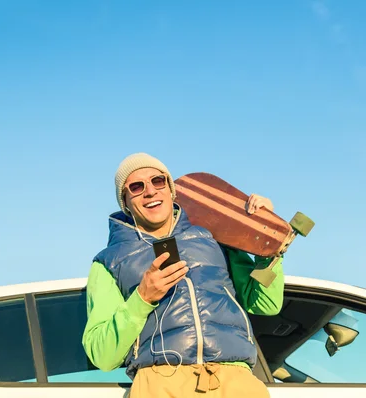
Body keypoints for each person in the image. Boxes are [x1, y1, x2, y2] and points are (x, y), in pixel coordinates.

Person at [82, 153, 284, 398]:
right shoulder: (108, 262)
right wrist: (142, 298)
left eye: (158, 181)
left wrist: (266, 245)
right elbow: (101, 354)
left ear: (171, 189)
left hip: (234, 383)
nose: (150, 191)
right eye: (136, 187)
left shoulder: (214, 236)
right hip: (160, 385)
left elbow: (265, 303)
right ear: (125, 202)